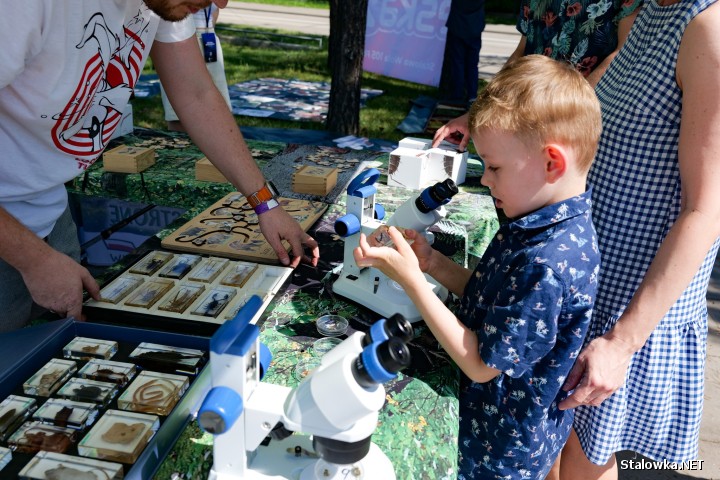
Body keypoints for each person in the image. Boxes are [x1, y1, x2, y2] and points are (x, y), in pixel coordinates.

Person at [353, 55, 603, 480]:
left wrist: (413, 282)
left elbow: (480, 364)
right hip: (497, 432)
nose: (485, 180)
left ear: (552, 163)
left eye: (495, 167)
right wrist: (432, 263)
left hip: (499, 449)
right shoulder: (533, 220)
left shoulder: (547, 262)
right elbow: (491, 295)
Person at [0, 0, 318, 332]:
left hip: (48, 212)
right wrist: (34, 260)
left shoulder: (165, 3)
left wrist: (264, 202)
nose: (220, 2)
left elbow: (195, 94)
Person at [553, 1, 720, 478]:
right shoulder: (646, 12)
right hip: (593, 290)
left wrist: (621, 342)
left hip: (628, 313)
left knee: (582, 466)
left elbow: (707, 211)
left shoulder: (708, 29)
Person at [433, 0, 642, 151]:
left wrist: (568, 108)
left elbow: (623, 53)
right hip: (527, 124)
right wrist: (477, 112)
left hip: (584, 127)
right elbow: (521, 54)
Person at [160, 3, 232, 132]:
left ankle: (213, 138)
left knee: (217, 101)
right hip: (179, 38)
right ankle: (181, 143)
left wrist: (208, 29)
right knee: (179, 109)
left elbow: (217, 8)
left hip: (208, 37)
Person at [440, 0, 486, 108]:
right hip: (475, 28)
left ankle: (457, 95)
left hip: (457, 26)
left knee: (457, 63)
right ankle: (472, 95)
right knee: (472, 65)